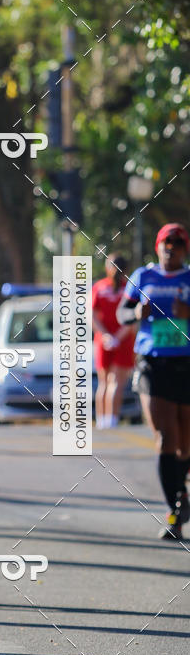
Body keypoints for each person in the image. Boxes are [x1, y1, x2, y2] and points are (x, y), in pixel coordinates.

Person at [117, 223, 190, 540]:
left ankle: (181, 497)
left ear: (185, 249)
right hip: (152, 363)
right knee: (164, 437)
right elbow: (122, 313)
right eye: (166, 242)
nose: (170, 247)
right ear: (158, 246)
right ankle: (174, 508)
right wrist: (137, 314)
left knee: (186, 443)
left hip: (185, 363)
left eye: (177, 243)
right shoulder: (143, 276)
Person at [92, 253, 136, 429]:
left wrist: (105, 336)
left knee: (104, 383)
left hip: (104, 341)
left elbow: (92, 316)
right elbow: (133, 319)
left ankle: (102, 421)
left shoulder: (98, 287)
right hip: (123, 341)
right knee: (116, 383)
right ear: (126, 270)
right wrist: (116, 337)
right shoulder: (130, 289)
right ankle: (112, 420)